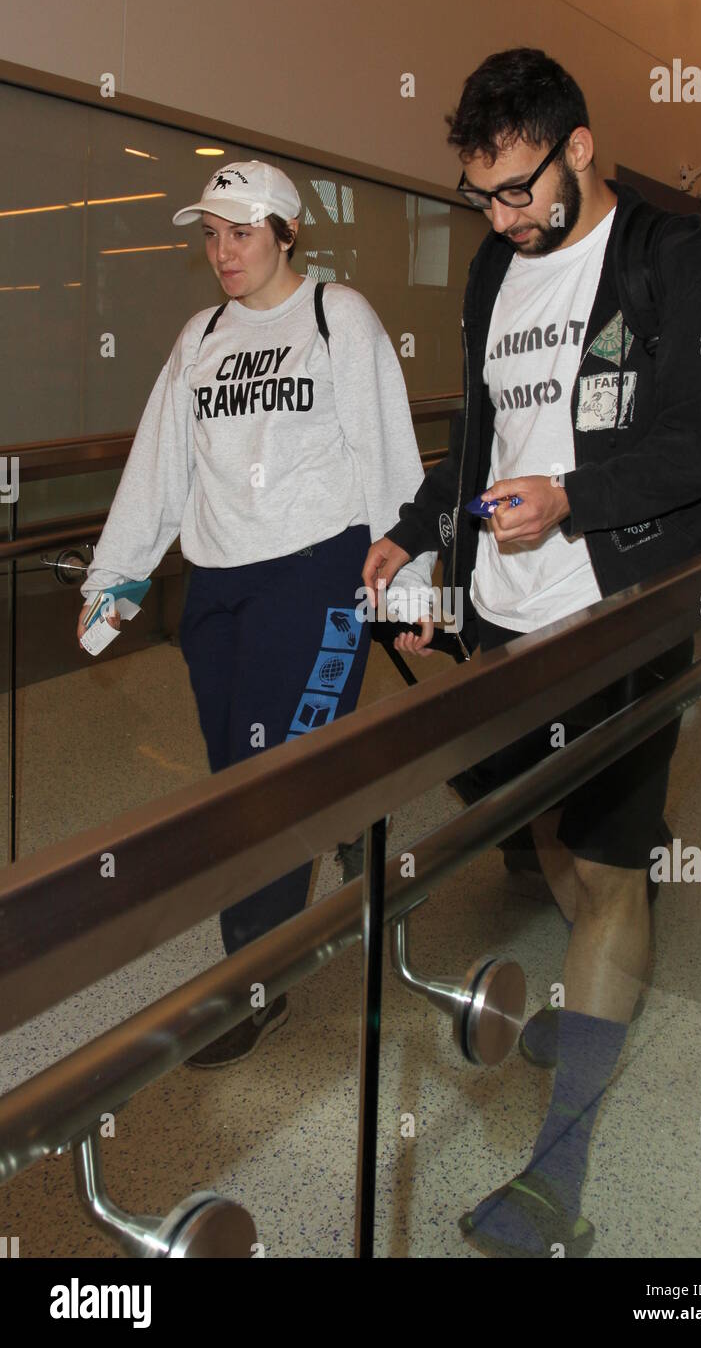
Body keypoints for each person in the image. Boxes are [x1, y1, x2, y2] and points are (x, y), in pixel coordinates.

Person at [363, 49, 701, 1257]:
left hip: (620, 606)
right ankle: (602, 985)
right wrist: (414, 533)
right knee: (553, 842)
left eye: (522, 189)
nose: (506, 218)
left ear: (579, 148)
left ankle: (557, 1176)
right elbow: (484, 440)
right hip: (508, 613)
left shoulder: (662, 257)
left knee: (610, 866)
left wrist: (573, 498)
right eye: (483, 196)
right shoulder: (495, 269)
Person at [77, 159, 434, 1067]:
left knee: (267, 777)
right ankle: (344, 811)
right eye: (211, 234)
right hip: (219, 585)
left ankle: (250, 982)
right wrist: (118, 575)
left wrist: (417, 588)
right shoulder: (200, 336)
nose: (222, 252)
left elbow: (387, 452)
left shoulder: (336, 317)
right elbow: (160, 463)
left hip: (318, 579)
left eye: (240, 232)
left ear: (285, 232)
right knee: (239, 768)